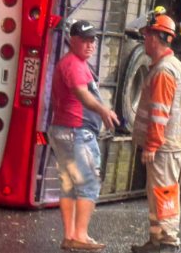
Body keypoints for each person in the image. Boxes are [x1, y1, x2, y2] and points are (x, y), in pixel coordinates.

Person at [48, 20, 119, 251]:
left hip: (65, 131)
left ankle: (70, 236)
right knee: (89, 182)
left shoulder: (75, 63)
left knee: (69, 185)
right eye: (85, 40)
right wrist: (103, 110)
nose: (90, 45)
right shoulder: (74, 64)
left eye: (93, 40)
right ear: (73, 40)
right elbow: (81, 94)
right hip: (76, 131)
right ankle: (79, 235)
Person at [131, 10, 181, 253]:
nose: (144, 41)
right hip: (167, 146)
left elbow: (159, 112)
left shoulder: (164, 70)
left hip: (163, 147)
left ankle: (167, 242)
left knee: (164, 193)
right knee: (158, 194)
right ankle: (157, 241)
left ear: (154, 38)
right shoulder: (169, 66)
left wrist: (152, 144)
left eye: (145, 36)